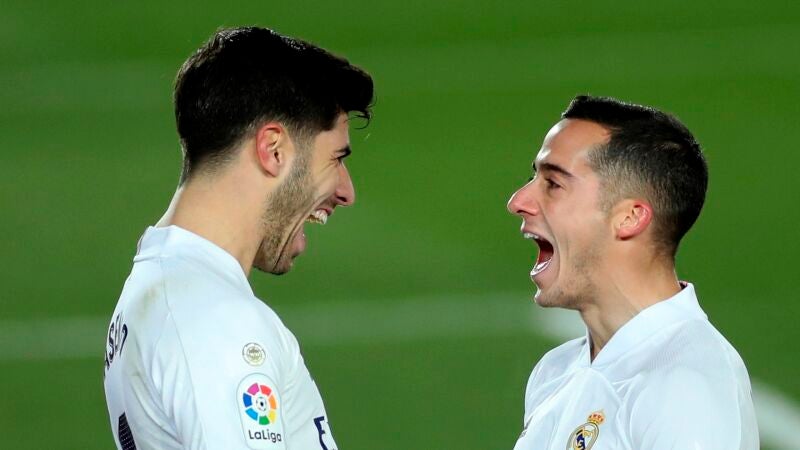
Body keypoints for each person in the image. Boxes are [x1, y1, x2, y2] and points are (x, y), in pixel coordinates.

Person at [103, 26, 373, 450]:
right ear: (273, 150)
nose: (346, 191)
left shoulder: (162, 287)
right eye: (335, 158)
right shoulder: (215, 321)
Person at [506, 95, 758, 449]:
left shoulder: (685, 386)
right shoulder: (557, 370)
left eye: (553, 184)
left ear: (630, 218)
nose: (518, 201)